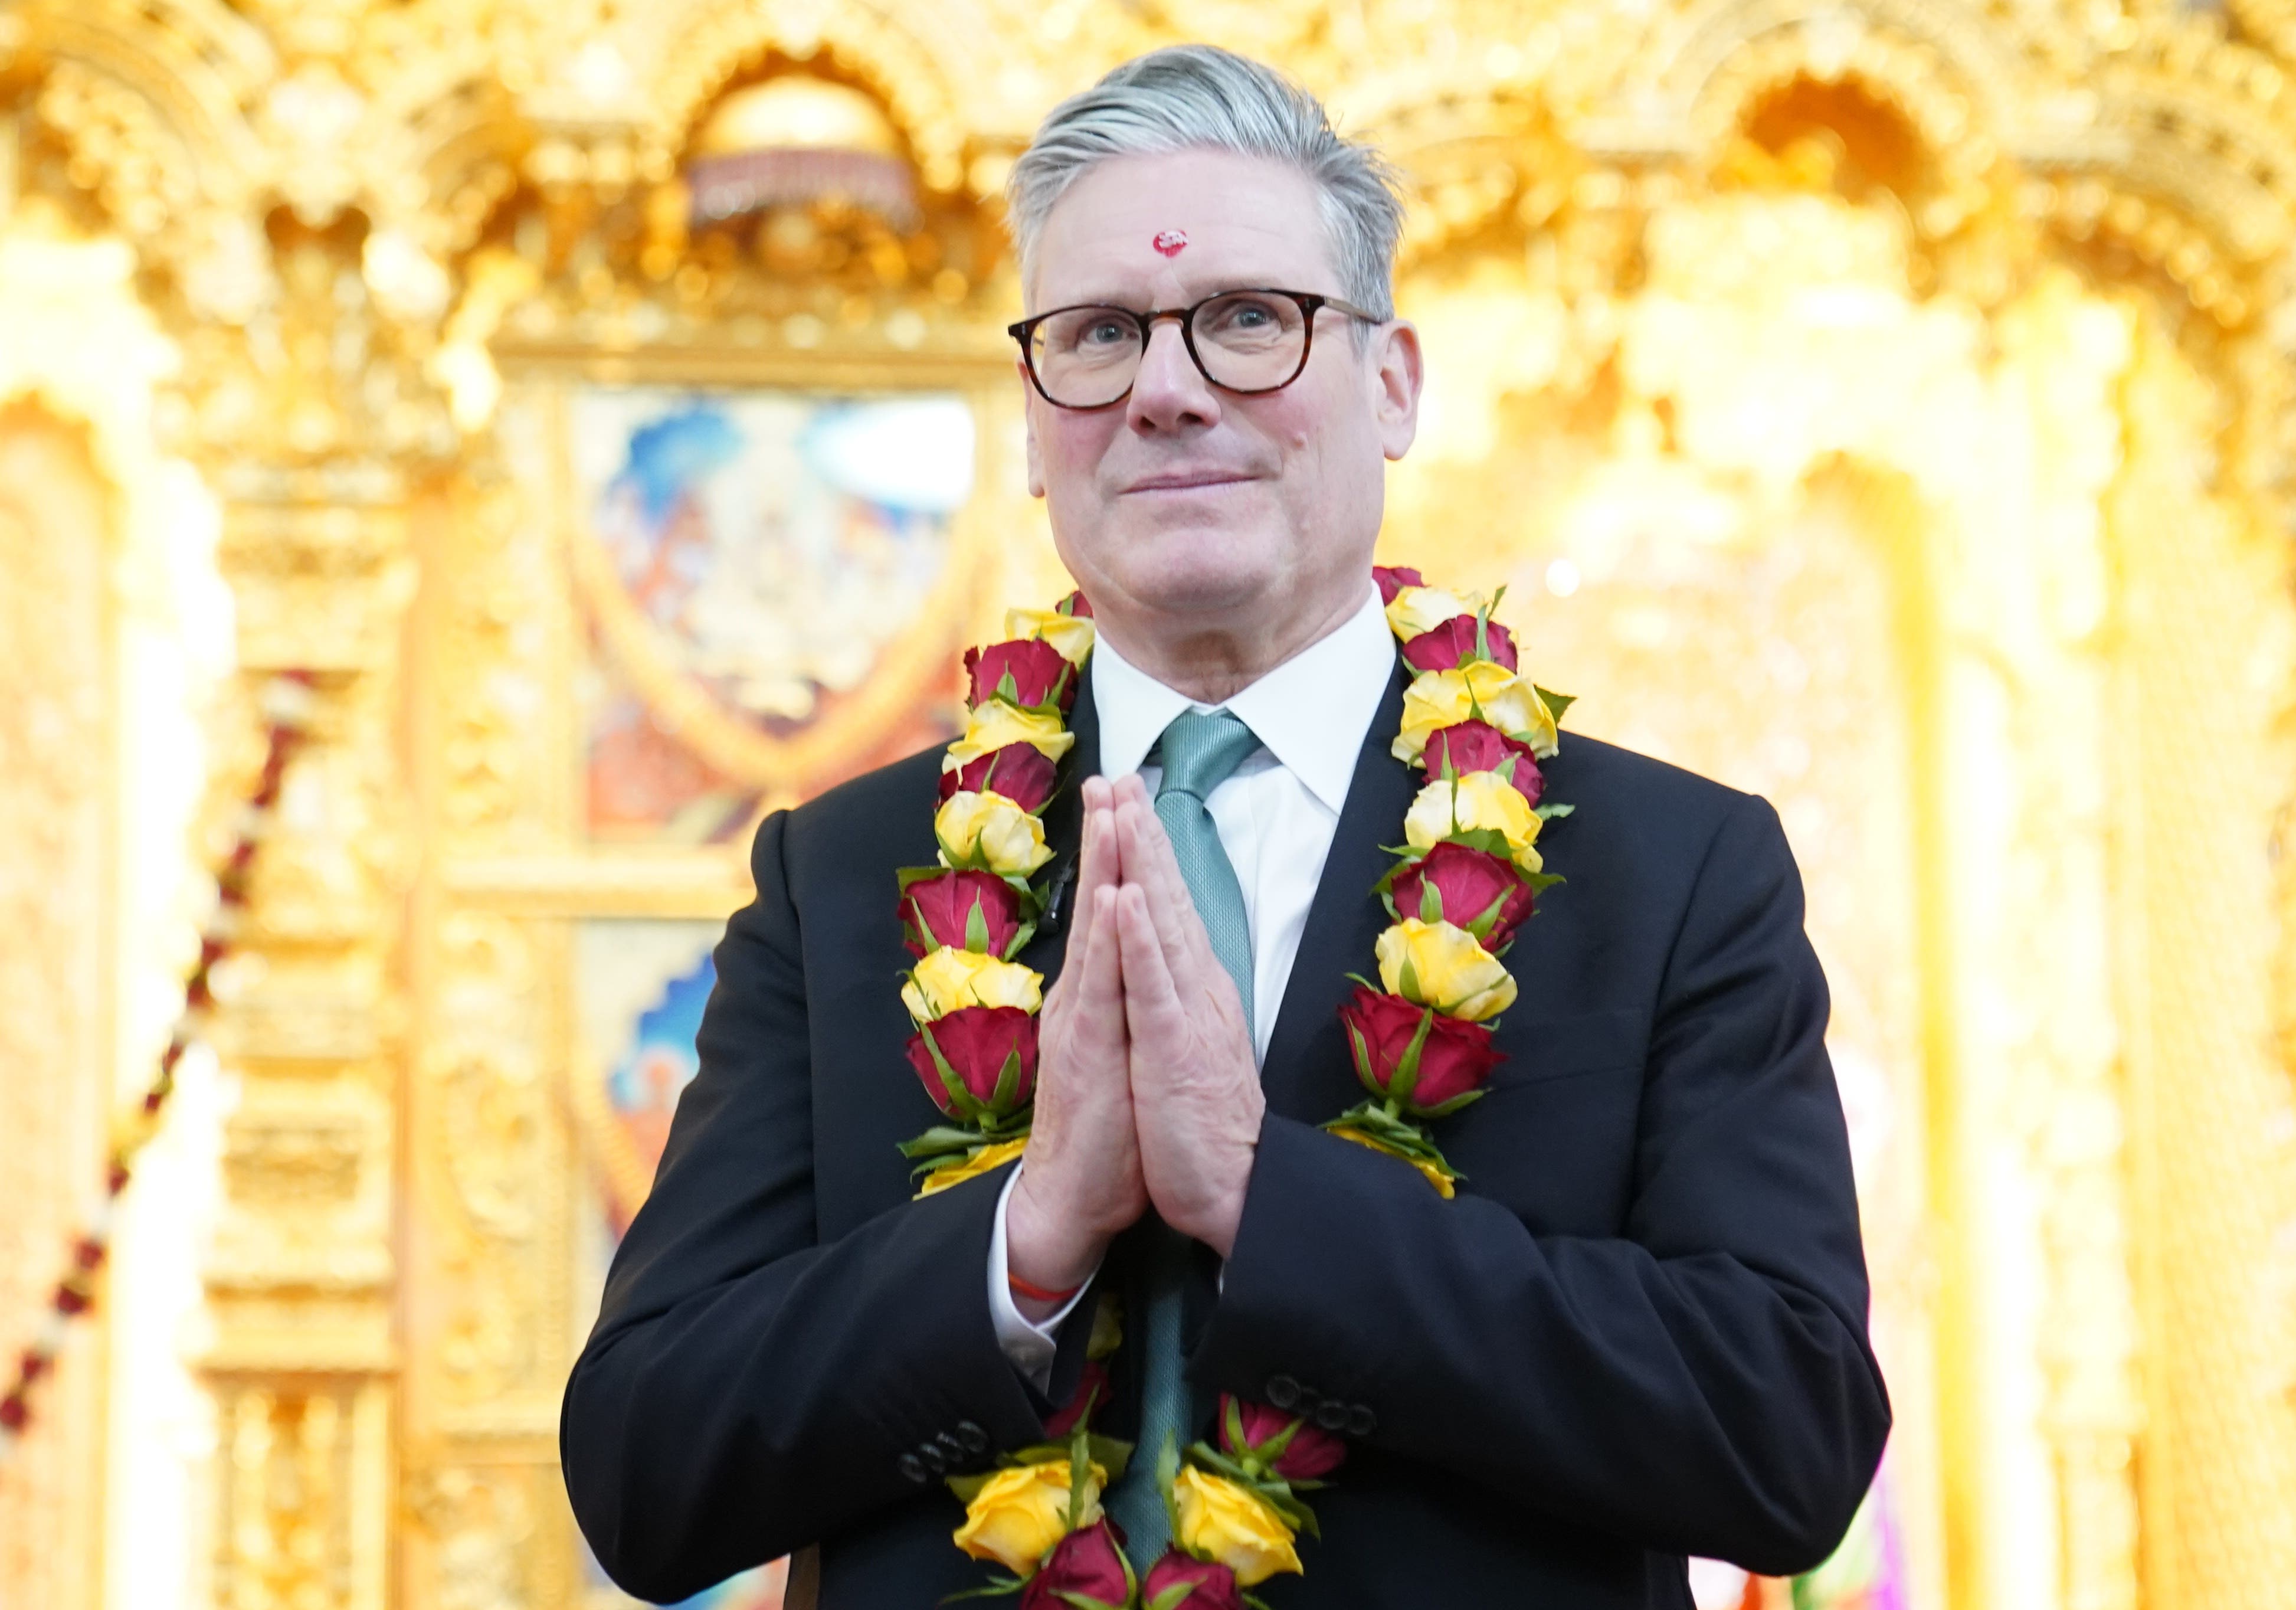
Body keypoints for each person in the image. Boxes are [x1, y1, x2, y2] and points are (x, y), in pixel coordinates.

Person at [561, 44, 1889, 1609]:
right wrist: (1028, 1236)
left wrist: (1271, 1198)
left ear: (1390, 386)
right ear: (1033, 418)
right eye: (1100, 332)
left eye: (1250, 321)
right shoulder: (843, 877)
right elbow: (646, 1471)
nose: (1167, 389)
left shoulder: (1666, 873)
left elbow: (1783, 1437)